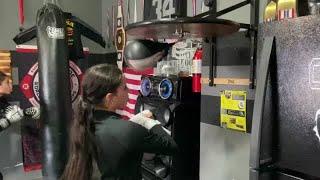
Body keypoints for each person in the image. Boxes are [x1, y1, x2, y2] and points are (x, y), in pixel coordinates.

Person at [61, 64, 178, 180]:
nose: (129, 90)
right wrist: (149, 122)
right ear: (109, 98)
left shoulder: (82, 124)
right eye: (124, 88)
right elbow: (172, 147)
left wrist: (133, 124)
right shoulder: (128, 130)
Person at [0, 71, 40, 180]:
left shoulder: (2, 101)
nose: (11, 85)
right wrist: (7, 121)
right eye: (7, 82)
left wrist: (28, 112)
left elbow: (12, 113)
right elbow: (7, 119)